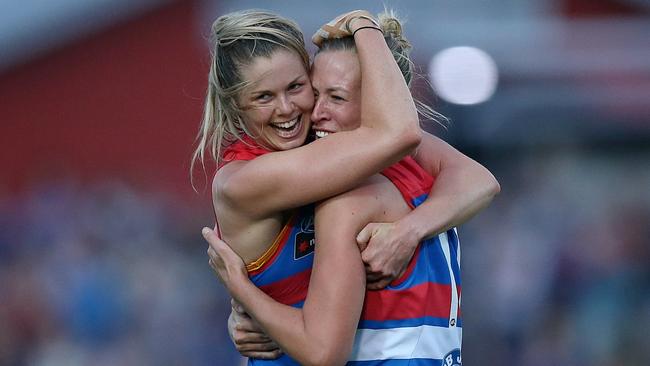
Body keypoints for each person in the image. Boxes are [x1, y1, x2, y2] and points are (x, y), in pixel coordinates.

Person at [204, 9, 499, 365]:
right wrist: (244, 298)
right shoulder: (245, 180)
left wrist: (408, 232)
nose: (292, 110)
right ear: (235, 104)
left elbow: (480, 179)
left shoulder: (358, 171)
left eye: (297, 87)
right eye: (263, 97)